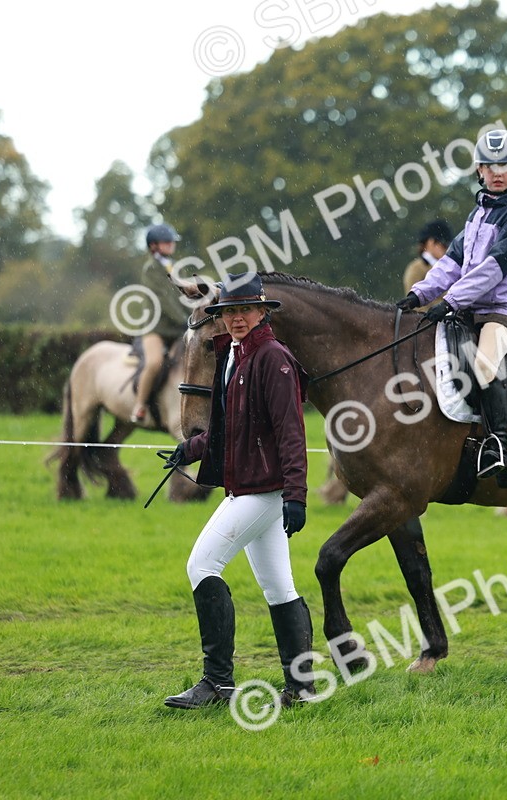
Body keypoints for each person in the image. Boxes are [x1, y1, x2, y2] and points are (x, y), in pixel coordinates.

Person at [161, 272, 315, 709]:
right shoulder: (232, 355)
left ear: (262, 311)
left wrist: (296, 495)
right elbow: (230, 428)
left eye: (245, 310)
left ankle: (216, 683)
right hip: (247, 485)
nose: (237, 318)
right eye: (229, 311)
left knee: (201, 564)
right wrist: (189, 449)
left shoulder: (273, 359)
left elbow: (291, 434)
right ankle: (302, 687)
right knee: (279, 588)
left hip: (263, 491)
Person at [396, 129, 507, 489]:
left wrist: (450, 301)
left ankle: (498, 449)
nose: (496, 172)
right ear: (478, 169)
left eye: (504, 164)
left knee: (484, 364)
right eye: (489, 165)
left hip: (503, 311)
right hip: (470, 310)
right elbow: (452, 263)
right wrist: (418, 293)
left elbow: (493, 268)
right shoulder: (478, 214)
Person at [133, 223, 193, 424]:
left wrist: (197, 311)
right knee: (154, 363)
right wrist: (185, 320)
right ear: (153, 246)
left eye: (171, 241)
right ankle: (140, 405)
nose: (171, 244)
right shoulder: (151, 269)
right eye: (166, 241)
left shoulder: (173, 266)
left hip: (177, 328)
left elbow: (182, 295)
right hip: (156, 328)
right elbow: (164, 299)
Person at [402, 219, 453, 310]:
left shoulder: (447, 266)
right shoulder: (416, 268)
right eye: (444, 245)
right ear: (431, 243)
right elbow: (417, 307)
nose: (446, 249)